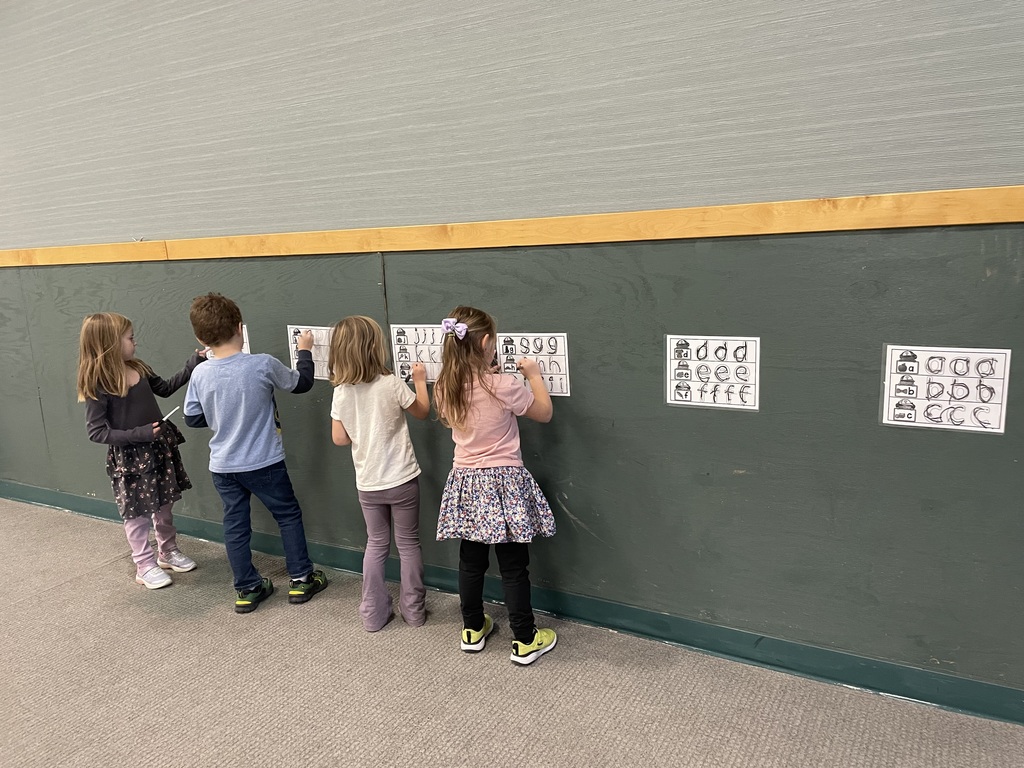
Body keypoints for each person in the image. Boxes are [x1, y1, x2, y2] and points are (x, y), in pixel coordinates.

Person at [183, 293, 328, 613]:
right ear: (240, 328)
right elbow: (301, 384)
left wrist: (224, 413)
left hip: (223, 466)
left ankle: (247, 588)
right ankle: (301, 579)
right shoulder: (261, 364)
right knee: (287, 515)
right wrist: (305, 351)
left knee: (235, 524)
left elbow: (192, 418)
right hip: (265, 462)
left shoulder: (200, 373)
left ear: (199, 338)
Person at [434, 306, 558, 665]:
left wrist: (487, 376)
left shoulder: (445, 386)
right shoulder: (504, 384)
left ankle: (472, 628)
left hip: (466, 483)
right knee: (513, 566)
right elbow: (544, 412)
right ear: (487, 343)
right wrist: (533, 375)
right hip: (503, 483)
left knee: (470, 563)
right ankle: (524, 638)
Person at [76, 312, 202, 589]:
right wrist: (139, 434)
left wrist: (194, 364)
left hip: (158, 450)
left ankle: (167, 551)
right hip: (132, 459)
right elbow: (97, 432)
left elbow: (166, 388)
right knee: (137, 514)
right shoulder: (100, 384)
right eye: (130, 338)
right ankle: (144, 564)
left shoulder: (140, 368)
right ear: (110, 344)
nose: (135, 343)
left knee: (165, 504)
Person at [328, 316, 430, 631]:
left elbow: (340, 438)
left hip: (368, 484)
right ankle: (413, 611)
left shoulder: (341, 392)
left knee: (376, 543)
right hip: (401, 479)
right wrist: (421, 381)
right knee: (409, 543)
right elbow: (423, 412)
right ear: (375, 347)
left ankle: (373, 614)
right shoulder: (391, 383)